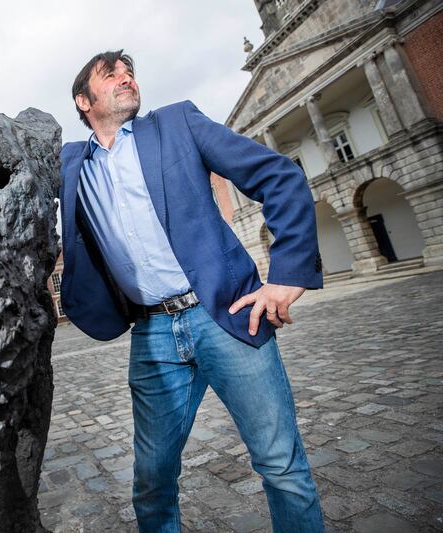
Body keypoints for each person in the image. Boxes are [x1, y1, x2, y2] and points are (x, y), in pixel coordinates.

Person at [59, 50, 325, 532]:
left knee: (281, 465)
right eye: (111, 74)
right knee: (152, 480)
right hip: (152, 334)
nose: (126, 78)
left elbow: (278, 176)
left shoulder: (177, 122)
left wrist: (287, 275)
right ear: (83, 101)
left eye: (129, 72)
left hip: (225, 314)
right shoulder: (70, 164)